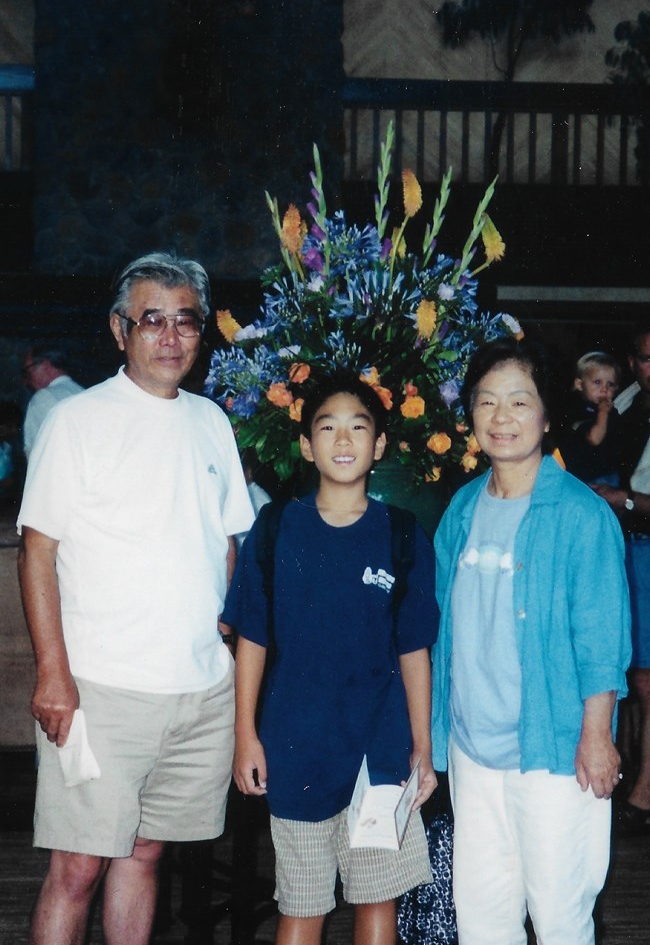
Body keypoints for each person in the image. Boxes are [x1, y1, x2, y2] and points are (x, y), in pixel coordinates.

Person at [17, 252, 254, 945]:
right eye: (153, 320)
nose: (172, 336)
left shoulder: (212, 420)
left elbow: (227, 538)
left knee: (146, 854)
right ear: (120, 330)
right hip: (101, 689)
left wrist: (224, 630)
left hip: (199, 691)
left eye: (186, 321)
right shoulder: (79, 420)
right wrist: (53, 673)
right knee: (78, 866)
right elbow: (38, 551)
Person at [224, 372, 438, 945]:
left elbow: (414, 646)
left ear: (381, 445)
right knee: (302, 903)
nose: (343, 440)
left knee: (376, 901)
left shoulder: (402, 534)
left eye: (358, 427)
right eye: (328, 427)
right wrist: (246, 734)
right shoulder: (274, 530)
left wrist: (423, 744)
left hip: (381, 752)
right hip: (298, 747)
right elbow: (252, 640)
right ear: (305, 444)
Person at [430, 338, 631, 945]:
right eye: (486, 402)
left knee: (560, 916)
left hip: (553, 747)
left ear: (546, 416)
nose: (501, 417)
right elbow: (441, 631)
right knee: (484, 919)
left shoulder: (580, 515)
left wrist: (598, 737)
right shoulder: (461, 509)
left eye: (519, 401)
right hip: (473, 751)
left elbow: (601, 637)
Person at [592, 324, 650, 831]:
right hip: (627, 548)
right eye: (648, 358)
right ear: (633, 362)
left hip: (644, 542)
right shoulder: (626, 403)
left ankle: (643, 794)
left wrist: (624, 501)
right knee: (629, 673)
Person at [558, 350, 621, 485]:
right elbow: (594, 439)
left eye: (610, 384)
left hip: (609, 475)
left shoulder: (611, 412)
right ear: (579, 384)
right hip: (585, 478)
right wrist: (603, 413)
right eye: (597, 382)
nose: (604, 389)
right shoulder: (579, 410)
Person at [21, 344, 83, 458]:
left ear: (46, 366)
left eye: (28, 371)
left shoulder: (42, 397)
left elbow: (36, 454)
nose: (28, 379)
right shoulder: (83, 392)